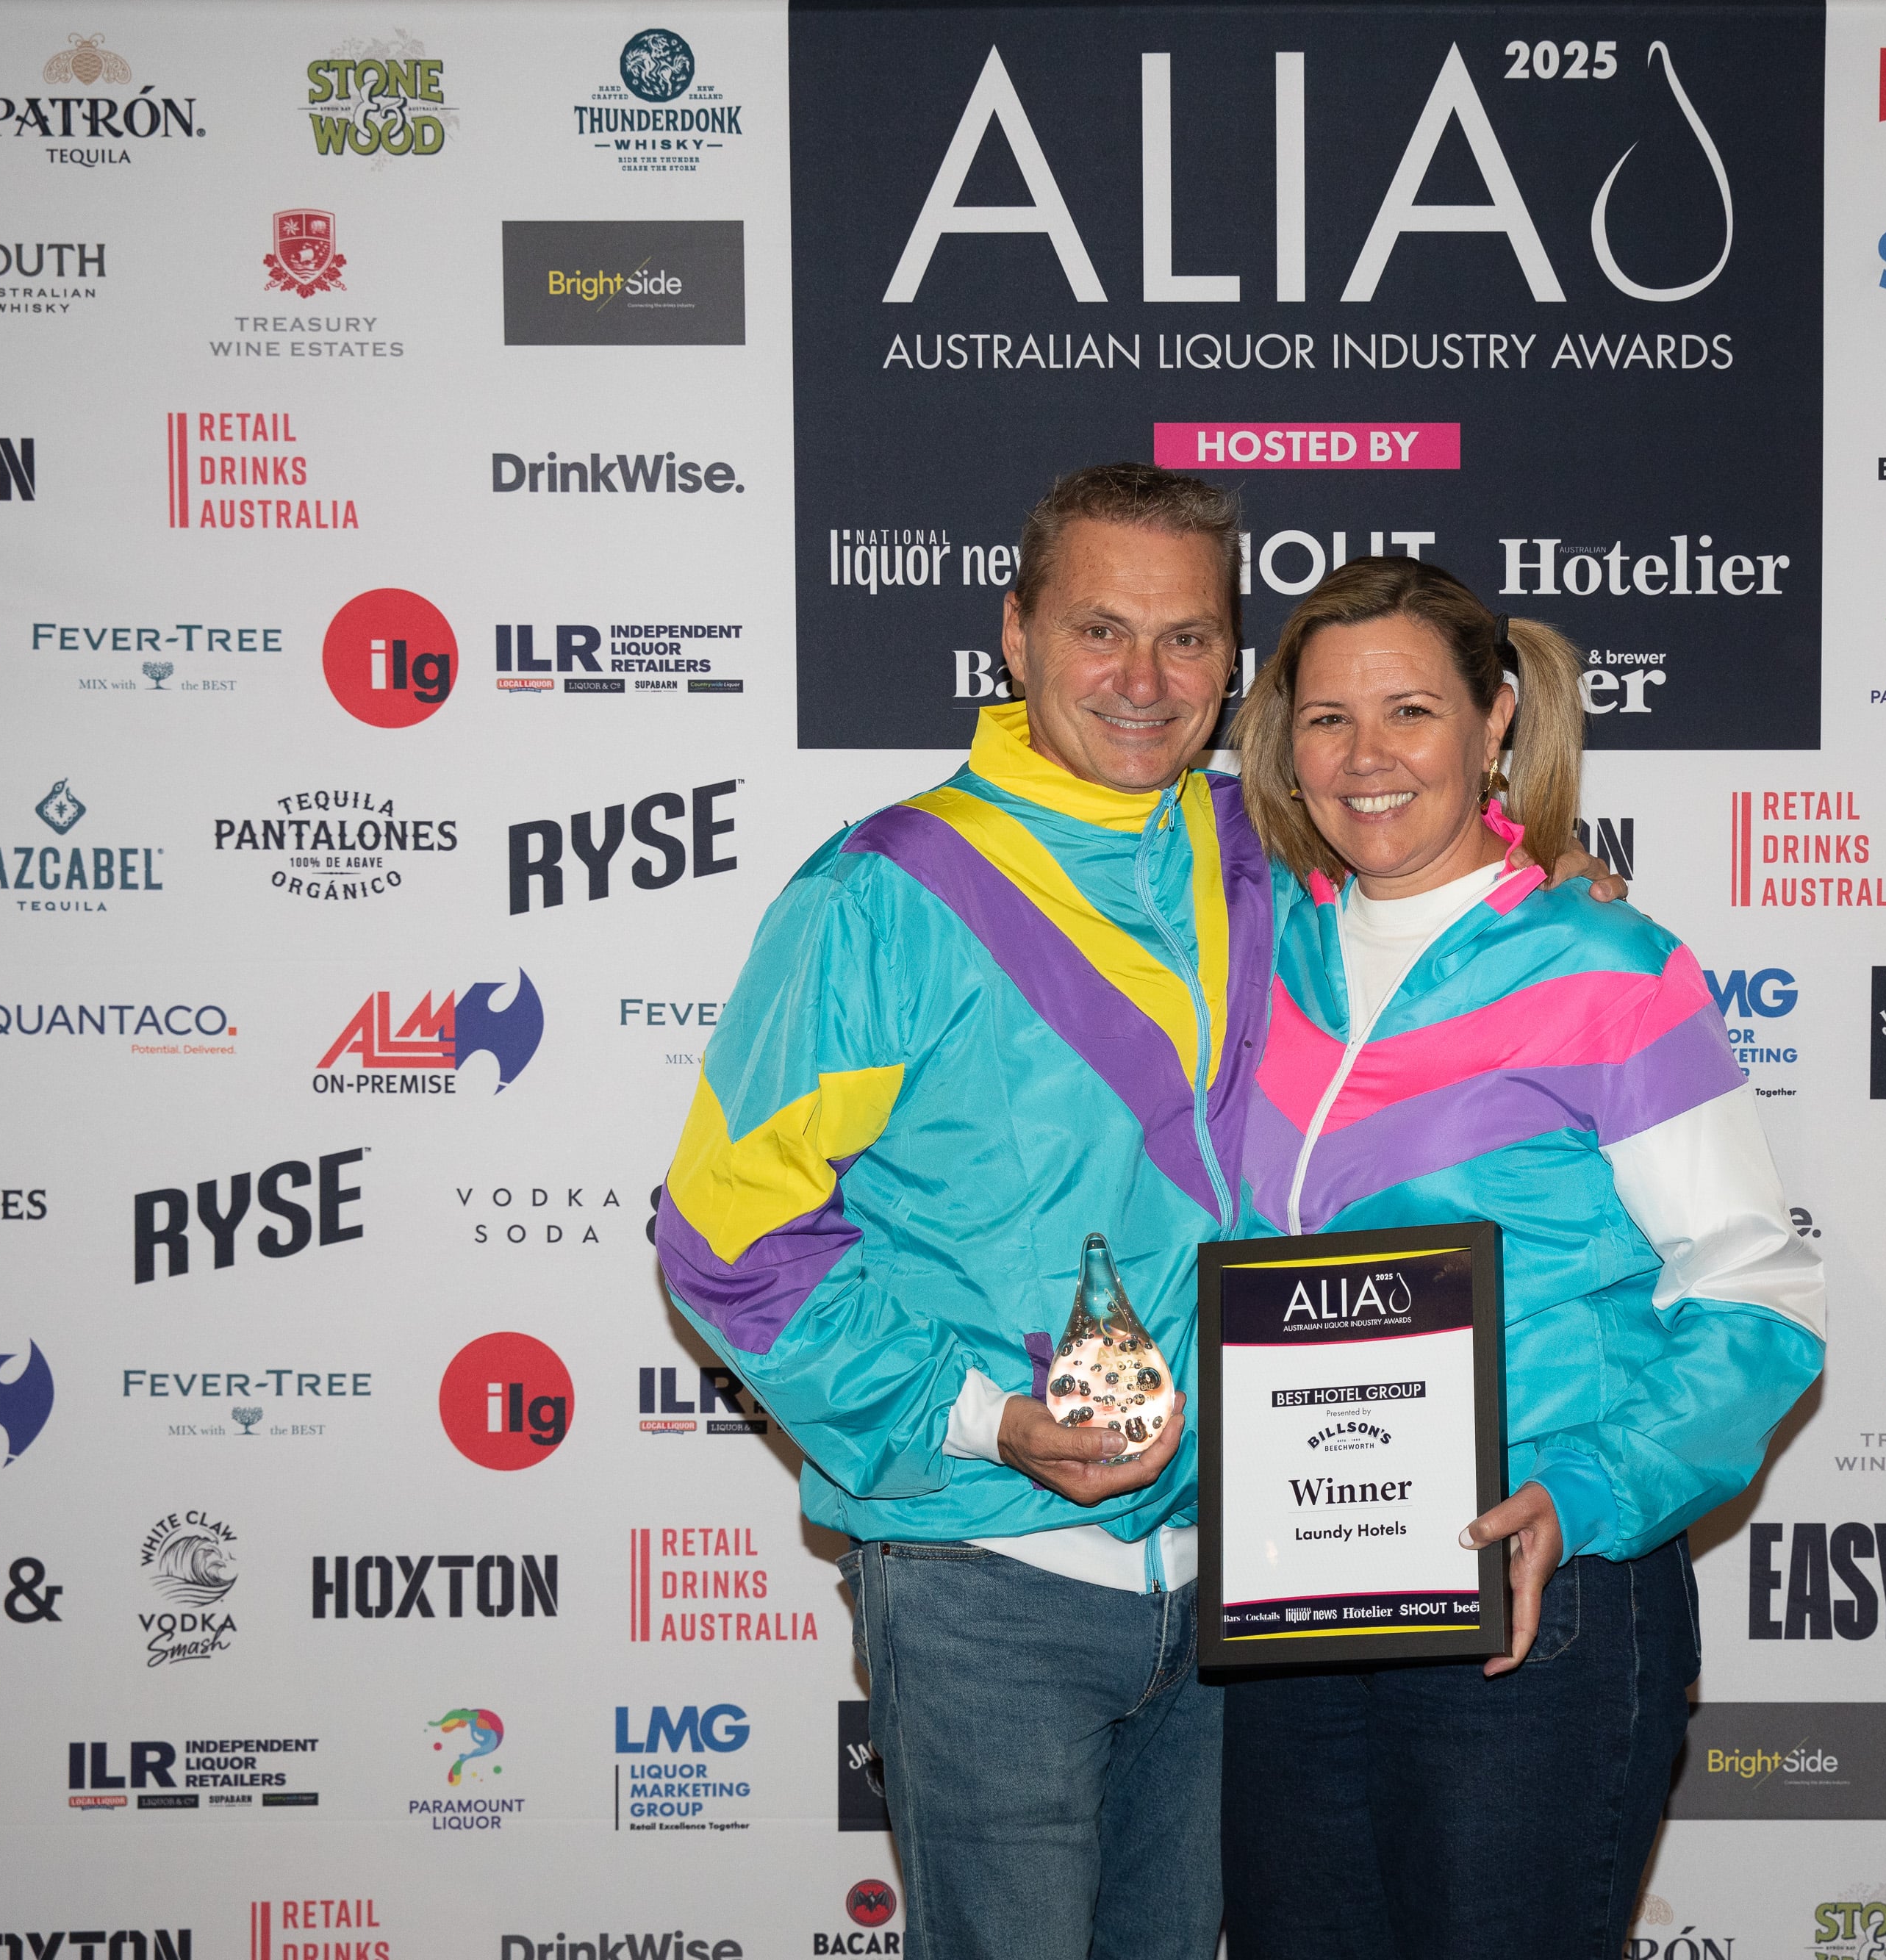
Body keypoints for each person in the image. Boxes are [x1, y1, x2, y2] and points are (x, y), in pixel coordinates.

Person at [653, 466, 1619, 1960]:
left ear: (1232, 662)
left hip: (1242, 1582)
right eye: (1099, 630)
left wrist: (1548, 891)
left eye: (1186, 639)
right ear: (1014, 635)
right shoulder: (880, 896)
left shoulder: (1262, 848)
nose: (1143, 679)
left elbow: (1429, 880)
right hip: (987, 1581)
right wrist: (983, 1419)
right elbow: (725, 1240)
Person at [1217, 556, 1826, 1960]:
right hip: (1294, 1604)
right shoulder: (1252, 951)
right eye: (1326, 719)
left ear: (1497, 719)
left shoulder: (1606, 966)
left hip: (1533, 1593)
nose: (1366, 757)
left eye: (1411, 712)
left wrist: (1585, 1493)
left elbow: (1760, 1295)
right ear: (1283, 744)